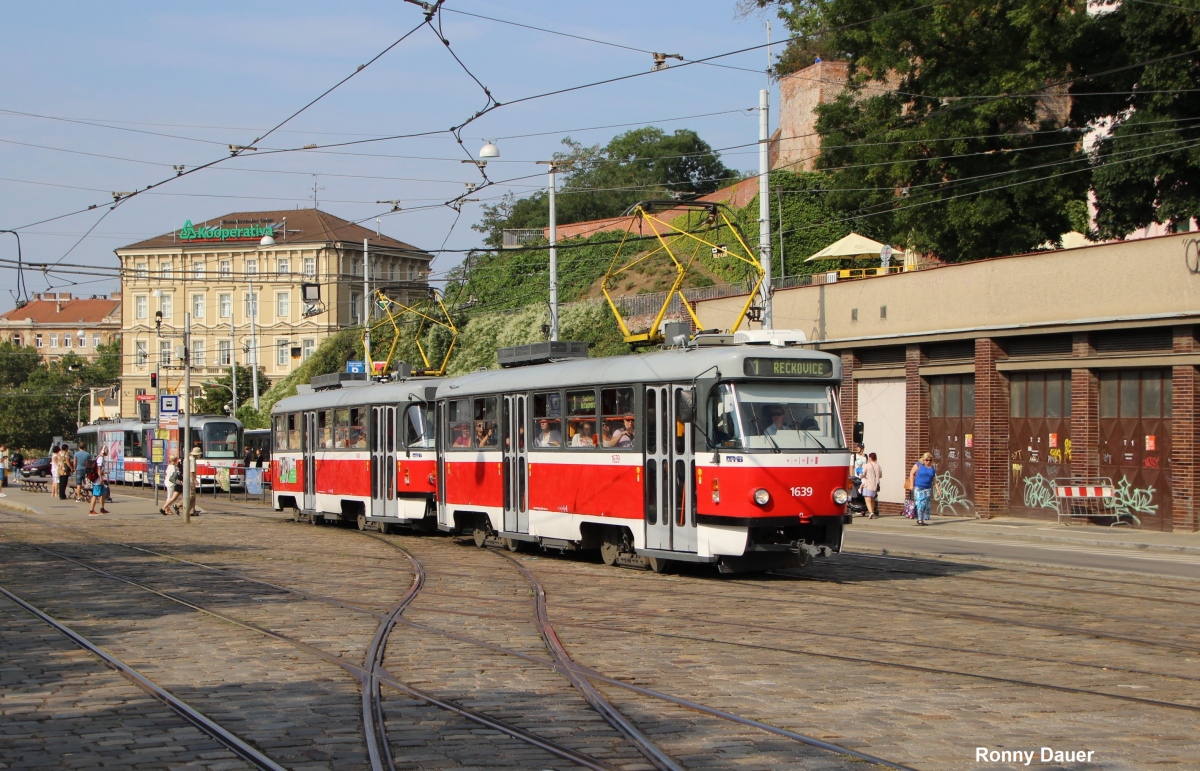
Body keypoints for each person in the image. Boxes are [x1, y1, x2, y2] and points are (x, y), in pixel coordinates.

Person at [907, 452, 940, 526]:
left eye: (929, 460)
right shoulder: (919, 465)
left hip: (927, 488)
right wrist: (912, 485)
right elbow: (911, 473)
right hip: (918, 487)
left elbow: (934, 479)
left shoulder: (932, 468)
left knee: (926, 505)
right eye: (926, 460)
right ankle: (920, 520)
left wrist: (938, 489)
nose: (928, 462)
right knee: (920, 504)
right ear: (923, 460)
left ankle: (921, 518)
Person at [88, 446, 110, 516]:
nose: (108, 452)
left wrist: (104, 473)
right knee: (95, 495)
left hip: (98, 479)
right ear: (103, 451)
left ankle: (102, 509)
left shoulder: (100, 458)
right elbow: (98, 469)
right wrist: (101, 478)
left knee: (103, 494)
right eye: (107, 450)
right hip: (97, 480)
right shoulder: (100, 458)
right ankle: (91, 511)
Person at [861, 452, 882, 519]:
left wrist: (860, 475)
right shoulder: (878, 466)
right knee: (872, 499)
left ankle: (871, 512)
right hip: (875, 485)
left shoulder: (867, 465)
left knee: (867, 499)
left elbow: (862, 474)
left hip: (868, 484)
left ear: (870, 458)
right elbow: (880, 475)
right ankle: (872, 511)